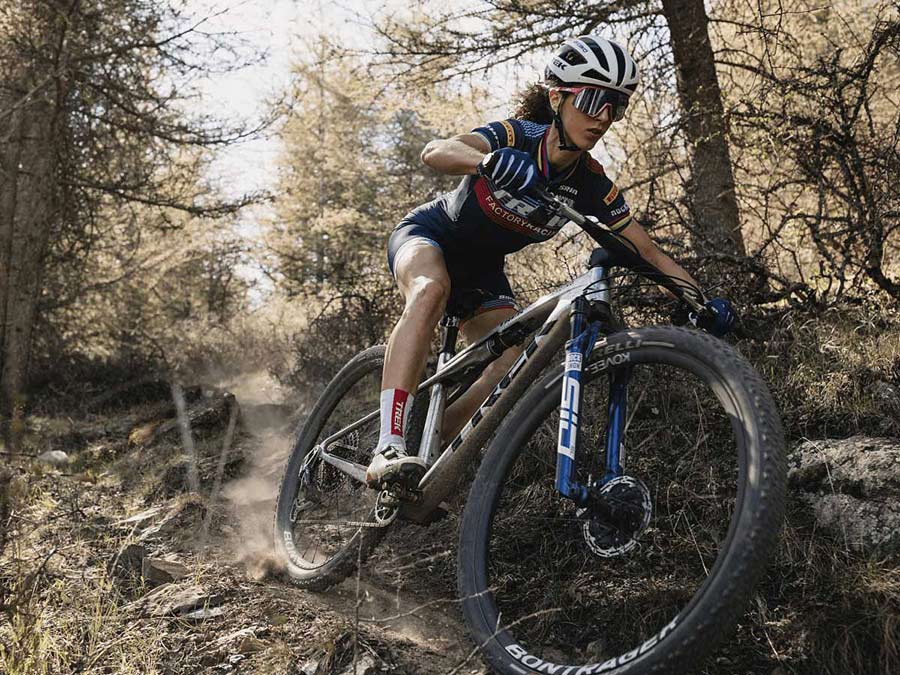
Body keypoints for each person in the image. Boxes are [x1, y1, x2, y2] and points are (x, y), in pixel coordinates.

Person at [365, 35, 737, 487]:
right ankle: (389, 443)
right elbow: (437, 151)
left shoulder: (592, 184)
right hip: (431, 236)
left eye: (615, 107)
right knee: (429, 291)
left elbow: (648, 252)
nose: (603, 117)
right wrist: (488, 162)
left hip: (483, 272)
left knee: (514, 361)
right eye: (595, 99)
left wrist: (701, 302)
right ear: (558, 96)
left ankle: (436, 437)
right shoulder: (519, 136)